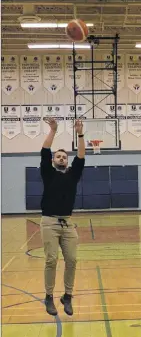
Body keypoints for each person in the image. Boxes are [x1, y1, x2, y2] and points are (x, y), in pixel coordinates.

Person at [40, 117, 85, 316]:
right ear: (53, 160)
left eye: (64, 157)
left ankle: (67, 296)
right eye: (58, 156)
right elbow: (44, 151)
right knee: (51, 260)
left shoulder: (73, 175)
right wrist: (53, 130)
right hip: (49, 222)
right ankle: (49, 297)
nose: (61, 158)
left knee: (72, 260)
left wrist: (80, 133)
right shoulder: (48, 174)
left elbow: (81, 156)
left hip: (68, 223)